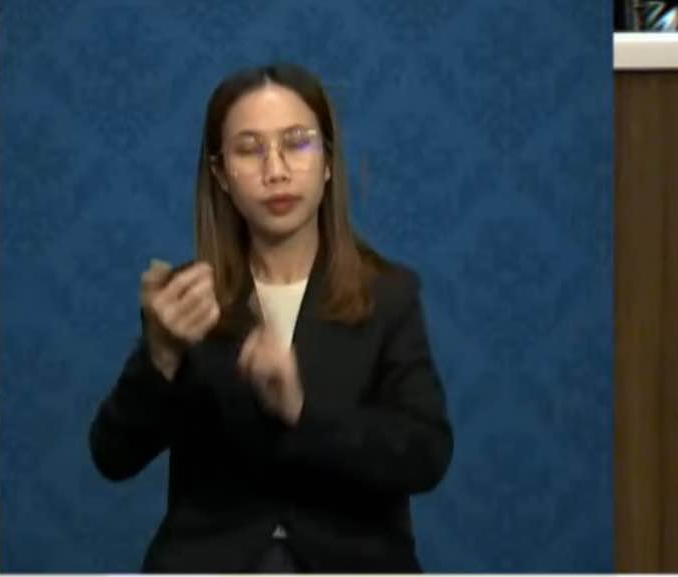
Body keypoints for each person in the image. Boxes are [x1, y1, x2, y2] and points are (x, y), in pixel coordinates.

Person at [89, 64, 451, 573]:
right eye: (249, 149)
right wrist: (162, 355)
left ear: (328, 161)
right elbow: (113, 457)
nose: (275, 170)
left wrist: (301, 410)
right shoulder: (189, 300)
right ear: (220, 174)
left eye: (297, 143)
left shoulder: (389, 295)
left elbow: (425, 454)